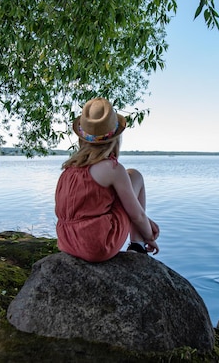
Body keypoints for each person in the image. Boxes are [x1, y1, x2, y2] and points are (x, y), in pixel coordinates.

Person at [54, 97, 160, 262]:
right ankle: (138, 245)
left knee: (129, 181)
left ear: (82, 138)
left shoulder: (68, 170)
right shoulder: (113, 169)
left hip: (67, 241)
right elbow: (137, 215)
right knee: (136, 176)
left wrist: (145, 220)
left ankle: (138, 240)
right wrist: (149, 237)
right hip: (97, 246)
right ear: (115, 139)